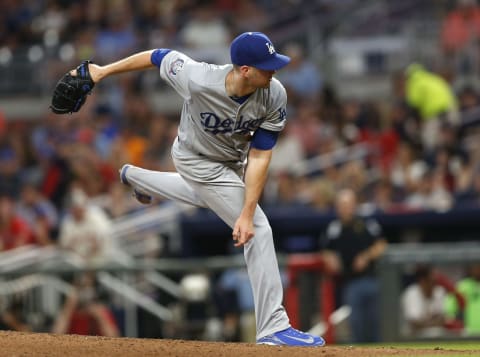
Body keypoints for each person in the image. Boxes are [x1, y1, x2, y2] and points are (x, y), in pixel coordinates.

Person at [67, 31, 324, 346]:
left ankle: (135, 176)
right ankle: (273, 327)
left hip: (233, 162)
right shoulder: (199, 78)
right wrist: (101, 71)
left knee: (218, 201)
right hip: (194, 158)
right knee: (259, 226)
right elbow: (157, 55)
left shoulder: (275, 94)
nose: (274, 70)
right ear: (244, 69)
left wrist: (243, 209)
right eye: (266, 66)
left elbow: (260, 155)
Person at [321, 188, 387, 343]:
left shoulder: (366, 223)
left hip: (371, 279)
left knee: (374, 323)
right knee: (356, 324)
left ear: (355, 205)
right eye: (341, 205)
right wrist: (331, 259)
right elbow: (325, 250)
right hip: (350, 282)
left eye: (348, 204)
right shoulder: (334, 228)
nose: (345, 208)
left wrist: (366, 256)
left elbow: (381, 244)